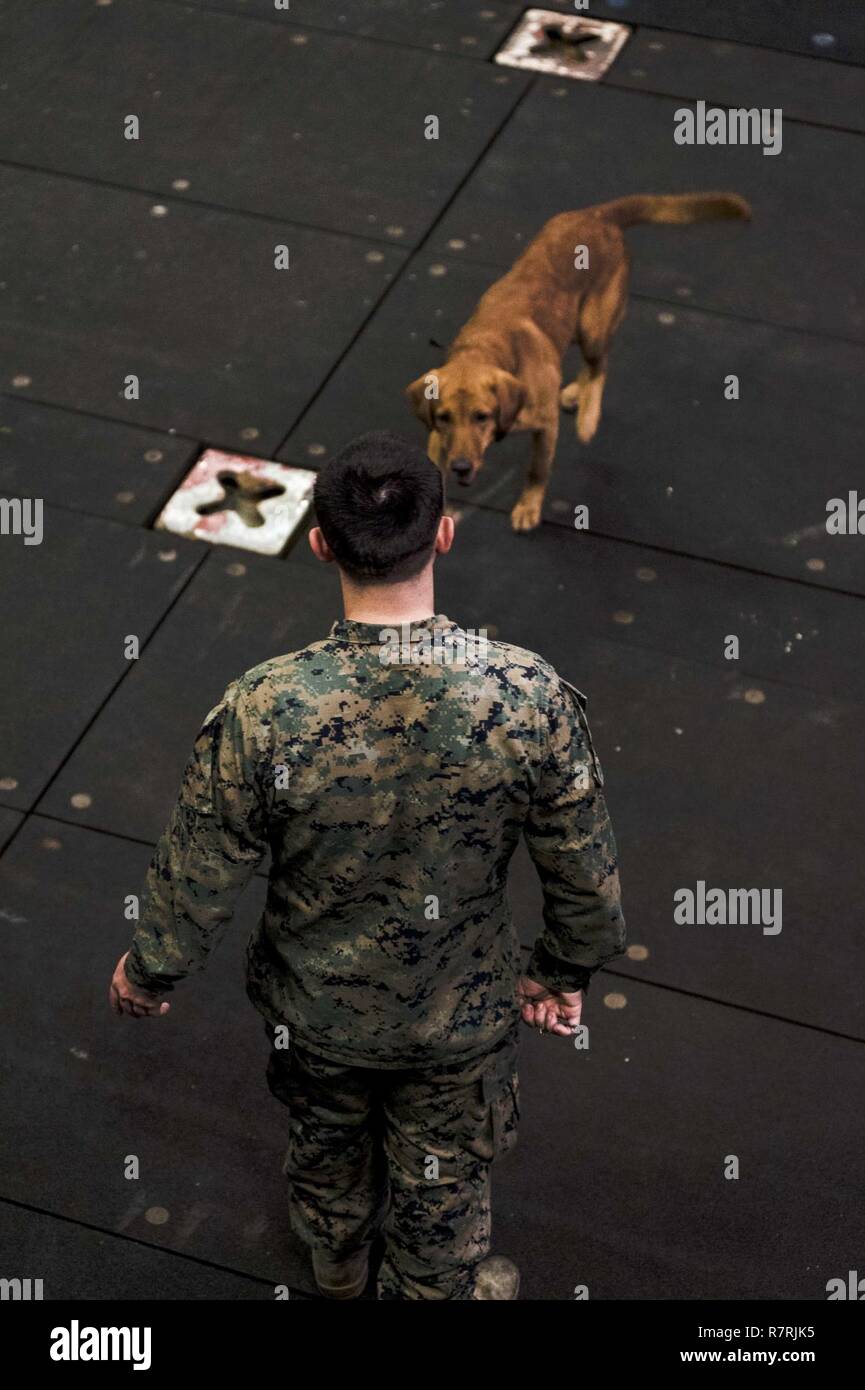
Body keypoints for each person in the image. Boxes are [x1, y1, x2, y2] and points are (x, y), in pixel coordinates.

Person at [109, 429, 626, 1300]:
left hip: (314, 1014)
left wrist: (148, 971)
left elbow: (200, 867)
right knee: (444, 1182)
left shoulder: (265, 709)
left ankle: (337, 1267)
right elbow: (583, 869)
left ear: (319, 543)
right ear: (446, 533)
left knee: (325, 1143)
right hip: (456, 1019)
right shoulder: (525, 696)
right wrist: (560, 971)